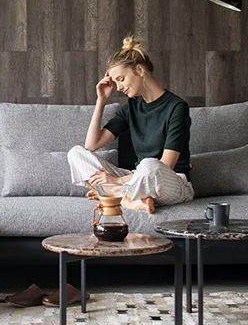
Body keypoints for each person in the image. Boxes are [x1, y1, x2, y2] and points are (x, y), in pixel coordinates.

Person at [67, 35, 194, 214]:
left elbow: (165, 165)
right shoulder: (131, 108)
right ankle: (131, 198)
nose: (118, 87)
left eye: (121, 79)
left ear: (139, 70)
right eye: (115, 82)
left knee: (149, 165)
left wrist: (116, 181)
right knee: (76, 154)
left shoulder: (177, 107)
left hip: (171, 181)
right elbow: (91, 144)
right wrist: (101, 100)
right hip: (137, 178)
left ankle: (114, 195)